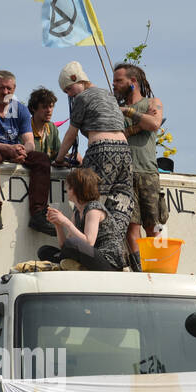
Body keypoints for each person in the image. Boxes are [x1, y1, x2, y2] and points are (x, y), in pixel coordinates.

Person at [53, 62, 136, 269]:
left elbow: (71, 134)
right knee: (121, 204)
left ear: (76, 79)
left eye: (69, 89)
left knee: (90, 199)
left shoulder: (82, 98)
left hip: (102, 151)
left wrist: (59, 158)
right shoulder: (109, 95)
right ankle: (117, 257)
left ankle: (92, 254)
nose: (70, 95)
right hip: (125, 152)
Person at [0, 70, 54, 235]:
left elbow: (29, 141)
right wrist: (8, 148)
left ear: (14, 88)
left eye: (9, 88)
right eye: (1, 88)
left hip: (13, 150)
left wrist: (23, 150)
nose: (5, 92)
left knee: (42, 160)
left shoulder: (20, 109)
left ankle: (38, 214)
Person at [113, 63, 168, 260]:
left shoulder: (153, 103)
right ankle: (139, 269)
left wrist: (129, 113)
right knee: (131, 228)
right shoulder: (114, 109)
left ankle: (158, 266)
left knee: (153, 226)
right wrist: (136, 126)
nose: (114, 84)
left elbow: (154, 123)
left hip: (147, 172)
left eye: (119, 80)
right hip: (125, 175)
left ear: (133, 82)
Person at [37, 167, 128, 271]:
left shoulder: (93, 208)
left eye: (69, 187)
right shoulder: (77, 212)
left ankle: (77, 266)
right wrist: (58, 225)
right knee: (44, 251)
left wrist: (65, 221)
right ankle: (78, 266)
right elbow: (64, 246)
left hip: (108, 261)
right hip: (90, 257)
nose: (66, 190)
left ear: (77, 189)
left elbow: (89, 243)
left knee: (73, 243)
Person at [27, 87, 61, 158]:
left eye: (51, 106)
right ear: (33, 108)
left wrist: (71, 156)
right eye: (44, 107)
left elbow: (59, 153)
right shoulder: (25, 128)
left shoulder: (52, 128)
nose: (49, 110)